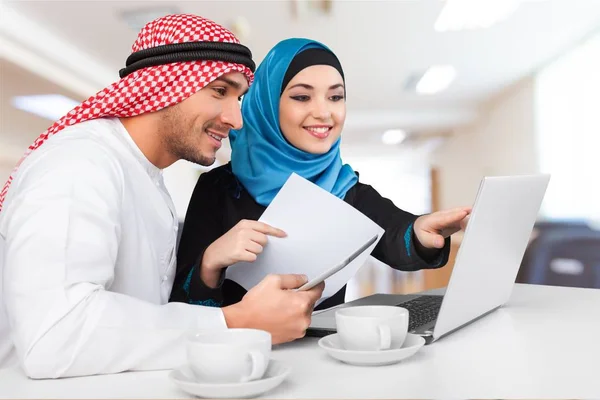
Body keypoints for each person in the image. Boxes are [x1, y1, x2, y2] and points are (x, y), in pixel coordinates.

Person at [0, 16, 324, 379]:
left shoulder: (148, 178)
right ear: (165, 84)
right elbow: (55, 337)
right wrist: (234, 322)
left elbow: (141, 317)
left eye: (240, 97)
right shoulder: (79, 164)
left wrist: (208, 266)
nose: (237, 119)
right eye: (219, 91)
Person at [170, 38, 470, 309]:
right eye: (302, 97)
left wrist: (422, 232)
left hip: (324, 358)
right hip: (244, 360)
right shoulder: (218, 188)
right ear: (267, 105)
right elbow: (182, 304)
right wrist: (211, 262)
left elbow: (395, 235)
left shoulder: (344, 187)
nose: (324, 112)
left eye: (335, 97)